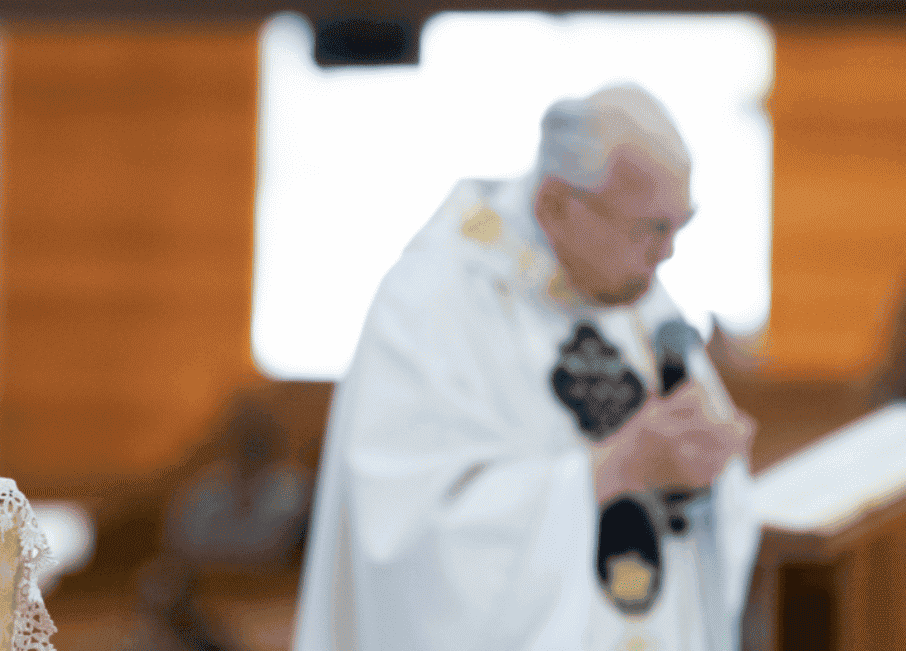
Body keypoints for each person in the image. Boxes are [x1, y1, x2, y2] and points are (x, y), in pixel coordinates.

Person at [293, 84, 760, 651]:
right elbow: (409, 539)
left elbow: (714, 511)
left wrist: (712, 465)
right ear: (557, 205)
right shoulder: (433, 304)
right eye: (650, 229)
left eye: (680, 226)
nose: (666, 254)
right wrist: (611, 471)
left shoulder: (641, 304)